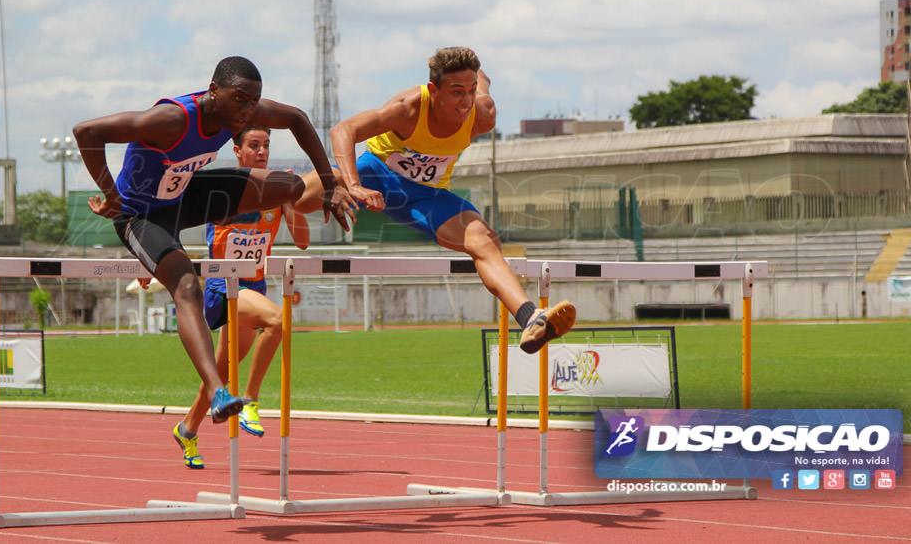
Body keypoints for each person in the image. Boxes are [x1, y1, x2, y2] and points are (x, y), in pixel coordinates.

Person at [74, 56, 354, 425]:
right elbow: (86, 132)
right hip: (140, 214)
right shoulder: (173, 119)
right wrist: (110, 195)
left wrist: (330, 185)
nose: (248, 110)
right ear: (214, 92)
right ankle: (217, 390)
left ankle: (213, 226)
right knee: (187, 282)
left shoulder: (241, 112)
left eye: (254, 101)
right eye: (240, 99)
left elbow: (298, 119)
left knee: (290, 186)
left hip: (184, 198)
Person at [299, 46, 575, 352]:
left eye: (470, 90)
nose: (466, 101)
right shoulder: (408, 108)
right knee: (322, 183)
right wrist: (353, 184)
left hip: (426, 197)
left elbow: (482, 83)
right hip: (377, 173)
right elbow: (344, 129)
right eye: (457, 92)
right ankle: (284, 196)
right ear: (434, 90)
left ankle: (530, 319)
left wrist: (477, 81)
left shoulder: (481, 116)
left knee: (484, 240)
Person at [172, 126, 307, 469]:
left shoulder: (277, 188)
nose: (261, 151)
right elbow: (173, 218)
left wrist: (293, 198)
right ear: (237, 150)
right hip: (222, 288)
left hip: (253, 287)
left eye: (266, 145)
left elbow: (303, 241)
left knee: (219, 375)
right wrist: (154, 262)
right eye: (253, 145)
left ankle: (187, 429)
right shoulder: (221, 188)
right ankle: (251, 402)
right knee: (278, 320)